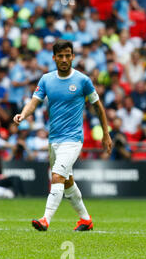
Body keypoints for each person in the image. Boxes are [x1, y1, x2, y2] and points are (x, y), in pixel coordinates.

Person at [13, 39, 112, 232]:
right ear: (54, 58)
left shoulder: (83, 80)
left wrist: (106, 134)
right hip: (54, 140)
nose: (64, 59)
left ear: (73, 56)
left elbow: (98, 107)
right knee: (67, 182)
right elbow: (34, 102)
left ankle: (45, 220)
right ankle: (85, 220)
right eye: (61, 56)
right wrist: (23, 114)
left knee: (57, 176)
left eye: (68, 55)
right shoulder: (46, 79)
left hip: (73, 140)